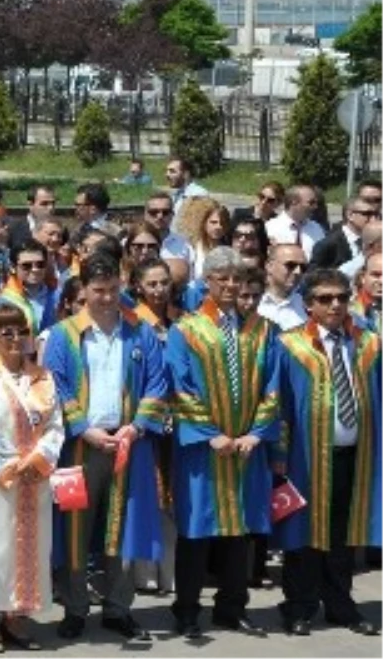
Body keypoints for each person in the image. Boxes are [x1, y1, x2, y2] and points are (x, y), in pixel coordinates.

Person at [41, 253, 167, 642]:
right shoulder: (64, 334)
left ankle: (118, 607)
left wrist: (135, 427)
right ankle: (76, 607)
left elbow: (158, 383)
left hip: (129, 443)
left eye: (113, 289)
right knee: (74, 528)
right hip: (81, 447)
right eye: (99, 291)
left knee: (122, 528)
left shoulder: (140, 330)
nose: (108, 298)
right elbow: (56, 387)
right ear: (83, 290)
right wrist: (84, 428)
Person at [166, 247, 279, 639]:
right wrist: (211, 434)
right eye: (223, 278)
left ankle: (232, 608)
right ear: (207, 282)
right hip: (203, 448)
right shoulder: (187, 329)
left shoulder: (264, 330)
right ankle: (186, 609)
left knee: (240, 530)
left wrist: (255, 433)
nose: (231, 286)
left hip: (247, 447)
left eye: (237, 278)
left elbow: (273, 387)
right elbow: (179, 387)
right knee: (196, 530)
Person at [271, 268, 383, 637]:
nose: (335, 305)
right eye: (324, 299)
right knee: (302, 533)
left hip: (355, 453)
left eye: (341, 297)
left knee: (343, 533)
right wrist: (280, 453)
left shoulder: (368, 342)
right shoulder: (290, 345)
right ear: (308, 305)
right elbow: (279, 403)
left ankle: (341, 604)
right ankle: (299, 606)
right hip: (305, 455)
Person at [0, 303, 64, 652]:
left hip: (35, 477)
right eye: (6, 333)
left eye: (21, 331)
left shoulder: (42, 377)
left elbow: (54, 425)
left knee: (31, 546)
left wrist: (37, 459)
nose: (15, 339)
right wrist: (11, 464)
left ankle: (18, 618)